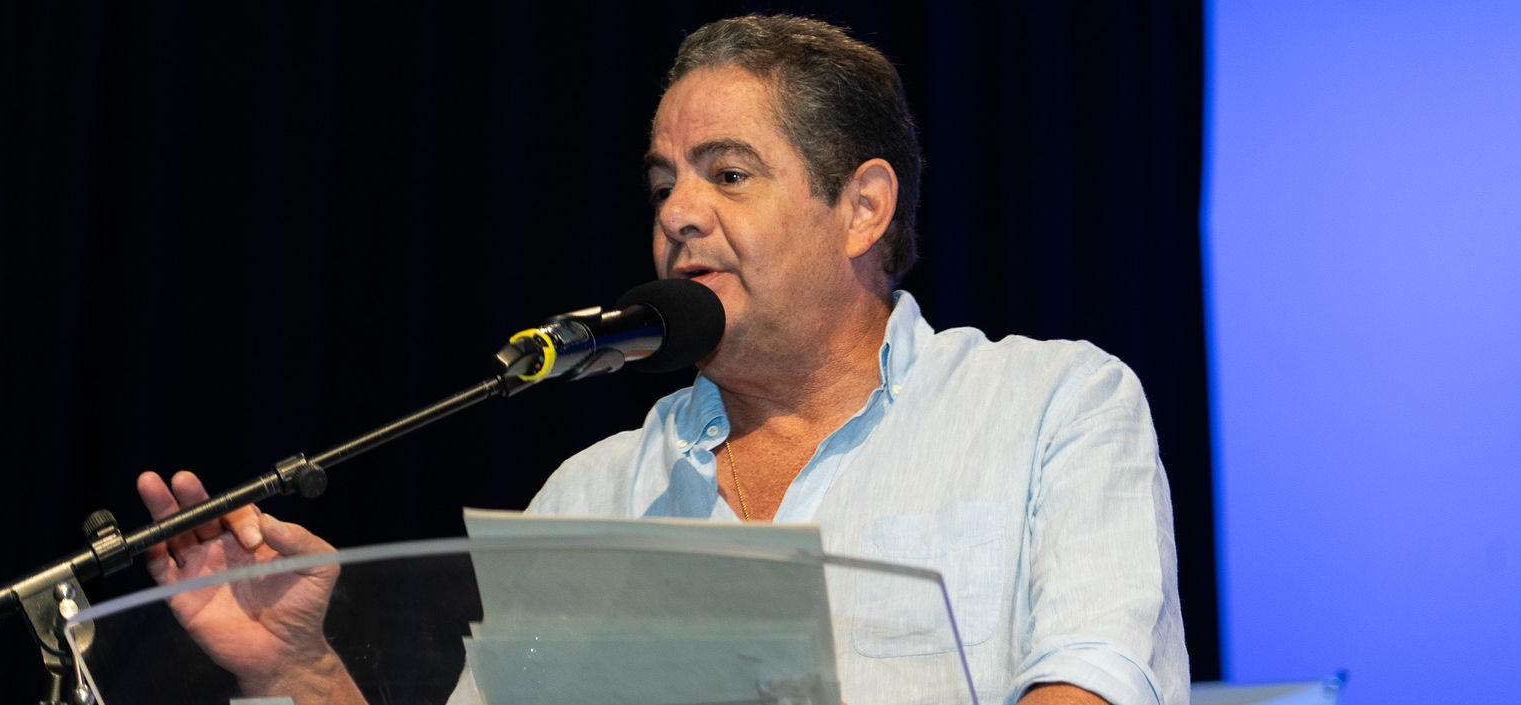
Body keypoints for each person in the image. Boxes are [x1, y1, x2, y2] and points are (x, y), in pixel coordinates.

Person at [141, 14, 1188, 705]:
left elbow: (1094, 679)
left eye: (727, 174)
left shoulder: (1051, 406)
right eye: (662, 184)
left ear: (862, 207)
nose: (678, 213)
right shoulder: (587, 498)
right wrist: (298, 670)